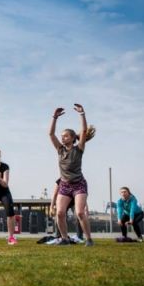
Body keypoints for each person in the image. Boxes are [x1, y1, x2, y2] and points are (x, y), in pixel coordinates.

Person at [49, 103, 95, 246]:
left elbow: (84, 130)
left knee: (80, 213)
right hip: (64, 185)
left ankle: (89, 239)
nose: (63, 138)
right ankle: (65, 239)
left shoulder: (79, 148)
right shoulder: (60, 149)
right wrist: (54, 118)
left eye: (66, 136)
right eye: (62, 136)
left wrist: (82, 114)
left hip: (79, 184)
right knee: (60, 213)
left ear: (72, 137)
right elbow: (51, 134)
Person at [49, 178, 84, 243]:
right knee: (59, 215)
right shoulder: (60, 181)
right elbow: (55, 195)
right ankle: (58, 235)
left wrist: (84, 207)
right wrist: (51, 207)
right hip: (64, 201)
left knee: (78, 216)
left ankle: (80, 236)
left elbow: (81, 194)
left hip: (74, 202)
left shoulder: (77, 180)